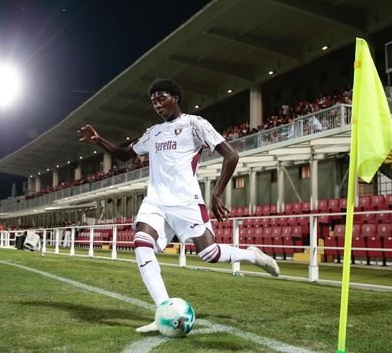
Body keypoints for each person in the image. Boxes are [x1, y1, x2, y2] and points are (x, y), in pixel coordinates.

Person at [78, 78, 279, 334]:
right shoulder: (153, 132)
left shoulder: (195, 124)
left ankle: (252, 255)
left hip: (185, 201)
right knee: (141, 243)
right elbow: (125, 153)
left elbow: (231, 155)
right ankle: (163, 310)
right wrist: (99, 140)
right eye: (153, 102)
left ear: (176, 97)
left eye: (161, 99)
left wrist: (217, 193)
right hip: (156, 201)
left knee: (210, 254)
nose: (157, 105)